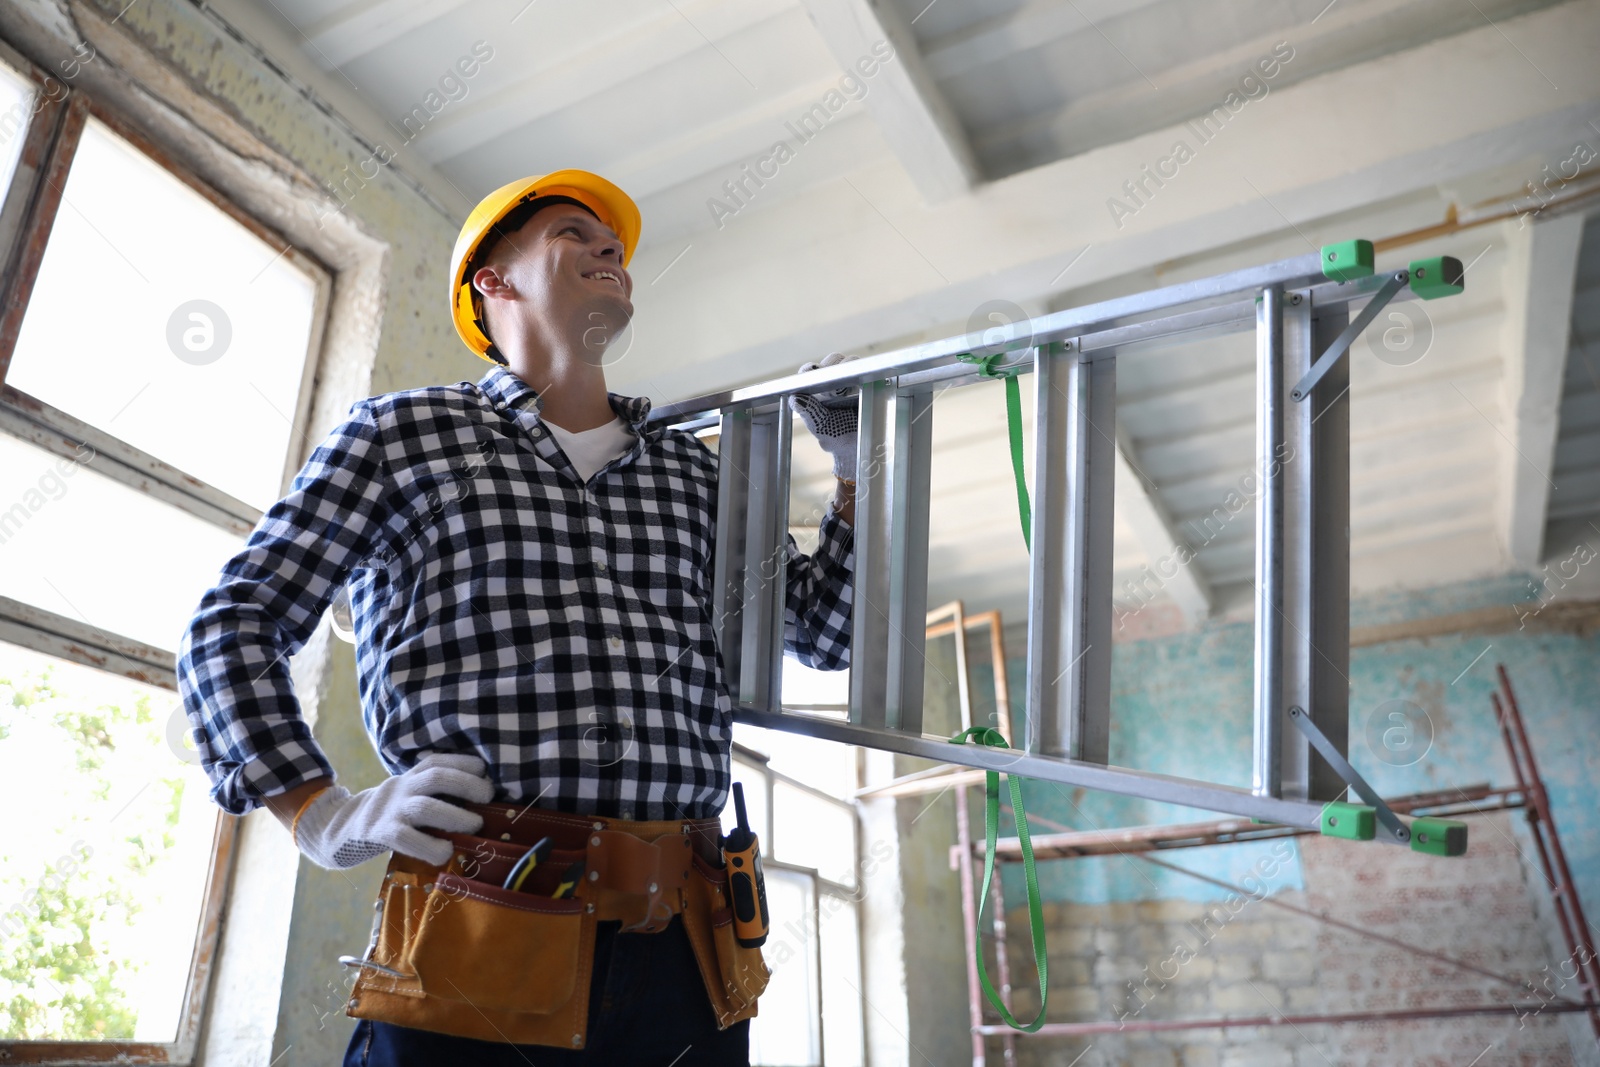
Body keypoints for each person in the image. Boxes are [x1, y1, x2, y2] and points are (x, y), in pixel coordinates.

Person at [176, 170, 860, 1066]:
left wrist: (853, 475)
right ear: (490, 282)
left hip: (688, 954)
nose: (611, 249)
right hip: (481, 937)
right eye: (576, 234)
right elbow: (234, 622)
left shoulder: (699, 475)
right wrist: (321, 813)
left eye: (614, 244)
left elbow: (823, 635)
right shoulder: (400, 437)